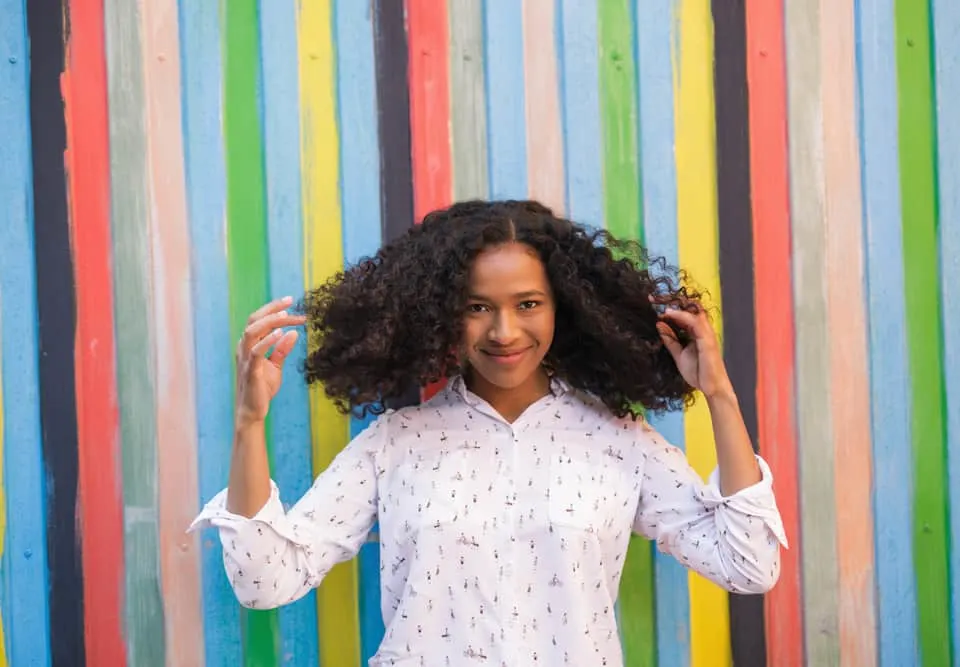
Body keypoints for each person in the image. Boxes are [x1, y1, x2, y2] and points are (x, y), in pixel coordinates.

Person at [190, 200, 787, 666]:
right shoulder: (396, 442)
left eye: (528, 303)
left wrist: (719, 395)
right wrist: (249, 423)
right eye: (478, 307)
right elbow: (265, 581)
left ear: (564, 308)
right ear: (442, 311)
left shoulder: (618, 441)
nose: (504, 331)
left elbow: (748, 565)